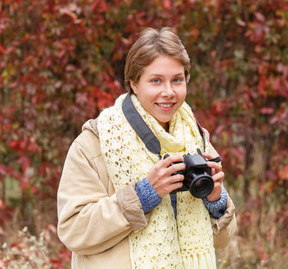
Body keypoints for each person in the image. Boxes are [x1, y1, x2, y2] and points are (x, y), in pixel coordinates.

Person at [57, 27, 236, 269]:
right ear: (134, 84)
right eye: (155, 81)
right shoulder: (94, 144)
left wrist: (216, 201)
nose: (168, 92)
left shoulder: (195, 138)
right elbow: (74, 231)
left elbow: (222, 240)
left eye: (177, 80)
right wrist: (144, 195)